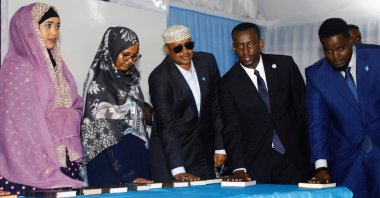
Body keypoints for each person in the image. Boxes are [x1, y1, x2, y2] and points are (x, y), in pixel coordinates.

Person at [0, 3, 83, 195]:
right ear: (28, 28)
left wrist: (67, 117)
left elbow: (76, 103)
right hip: (32, 163)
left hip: (65, 160)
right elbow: (17, 124)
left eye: (57, 26)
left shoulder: (59, 66)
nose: (54, 32)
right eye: (48, 25)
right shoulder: (18, 66)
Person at [220, 22, 310, 184]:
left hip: (295, 157)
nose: (245, 51)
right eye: (240, 46)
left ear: (260, 43)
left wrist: (317, 158)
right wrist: (239, 168)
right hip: (258, 163)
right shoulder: (228, 83)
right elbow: (232, 129)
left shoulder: (285, 66)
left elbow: (304, 109)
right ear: (233, 48)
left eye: (250, 44)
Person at [306, 18, 380, 198]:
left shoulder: (376, 57)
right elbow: (317, 122)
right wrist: (321, 166)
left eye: (340, 48)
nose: (335, 56)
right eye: (328, 51)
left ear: (350, 41)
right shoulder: (316, 75)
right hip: (347, 158)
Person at [148, 25, 226, 182]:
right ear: (167, 49)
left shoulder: (207, 62)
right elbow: (166, 125)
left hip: (203, 151)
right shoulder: (159, 77)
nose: (185, 51)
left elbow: (216, 107)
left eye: (189, 45)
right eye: (177, 48)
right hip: (171, 156)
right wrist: (178, 169)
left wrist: (220, 146)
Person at [81, 27, 153, 186]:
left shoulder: (132, 81)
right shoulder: (99, 86)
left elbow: (138, 125)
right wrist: (127, 174)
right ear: (112, 51)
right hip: (111, 167)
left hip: (136, 162)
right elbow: (105, 136)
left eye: (135, 56)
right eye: (126, 54)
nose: (130, 61)